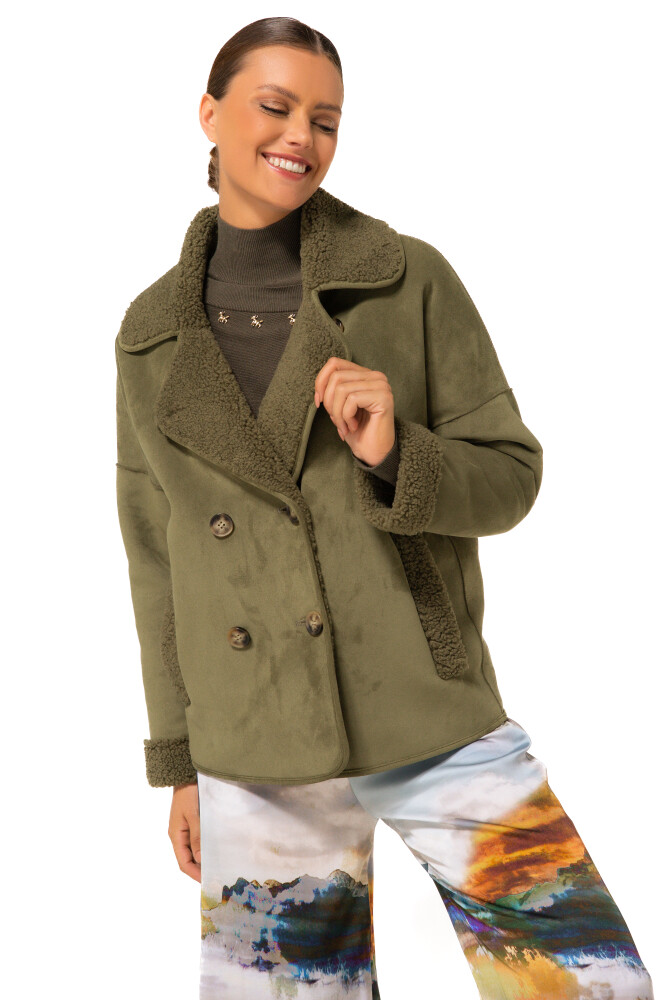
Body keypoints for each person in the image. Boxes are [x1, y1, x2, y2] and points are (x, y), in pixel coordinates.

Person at [114, 15, 654, 1000]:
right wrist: (181, 764)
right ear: (210, 114)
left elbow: (512, 476)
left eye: (325, 119)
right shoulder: (149, 338)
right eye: (275, 107)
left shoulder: (405, 280)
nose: (301, 136)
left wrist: (398, 451)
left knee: (588, 982)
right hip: (255, 742)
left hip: (430, 712)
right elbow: (157, 562)